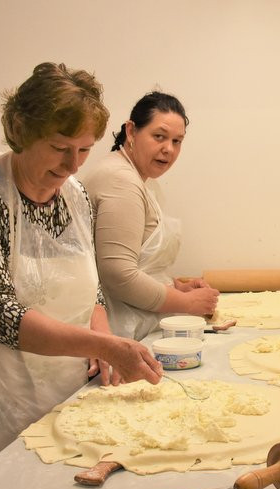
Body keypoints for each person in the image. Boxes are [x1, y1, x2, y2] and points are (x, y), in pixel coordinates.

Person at [0, 62, 163, 489]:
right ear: (21, 132)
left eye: (84, 150)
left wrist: (101, 332)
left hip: (64, 386)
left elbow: (89, 282)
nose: (72, 165)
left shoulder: (74, 197)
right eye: (59, 147)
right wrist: (103, 345)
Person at [82, 92, 219, 341]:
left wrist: (176, 287)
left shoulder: (141, 179)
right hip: (120, 327)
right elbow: (118, 276)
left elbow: (141, 263)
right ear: (131, 131)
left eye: (177, 141)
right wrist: (187, 303)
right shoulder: (119, 180)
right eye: (159, 137)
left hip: (138, 321)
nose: (168, 149)